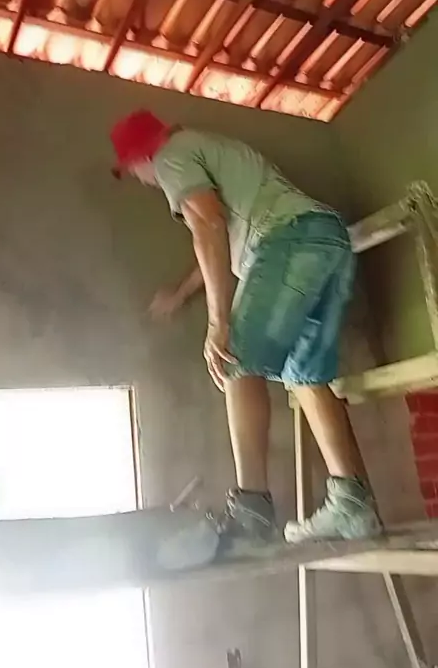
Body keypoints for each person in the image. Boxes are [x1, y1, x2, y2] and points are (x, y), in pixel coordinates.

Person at [110, 109, 382, 551]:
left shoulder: (170, 157)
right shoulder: (204, 147)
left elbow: (208, 225)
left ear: (140, 157)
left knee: (232, 354)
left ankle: (251, 512)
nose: (141, 179)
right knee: (306, 377)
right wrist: (181, 294)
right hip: (326, 240)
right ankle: (352, 503)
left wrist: (218, 323)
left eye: (132, 170)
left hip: (288, 240)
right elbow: (216, 235)